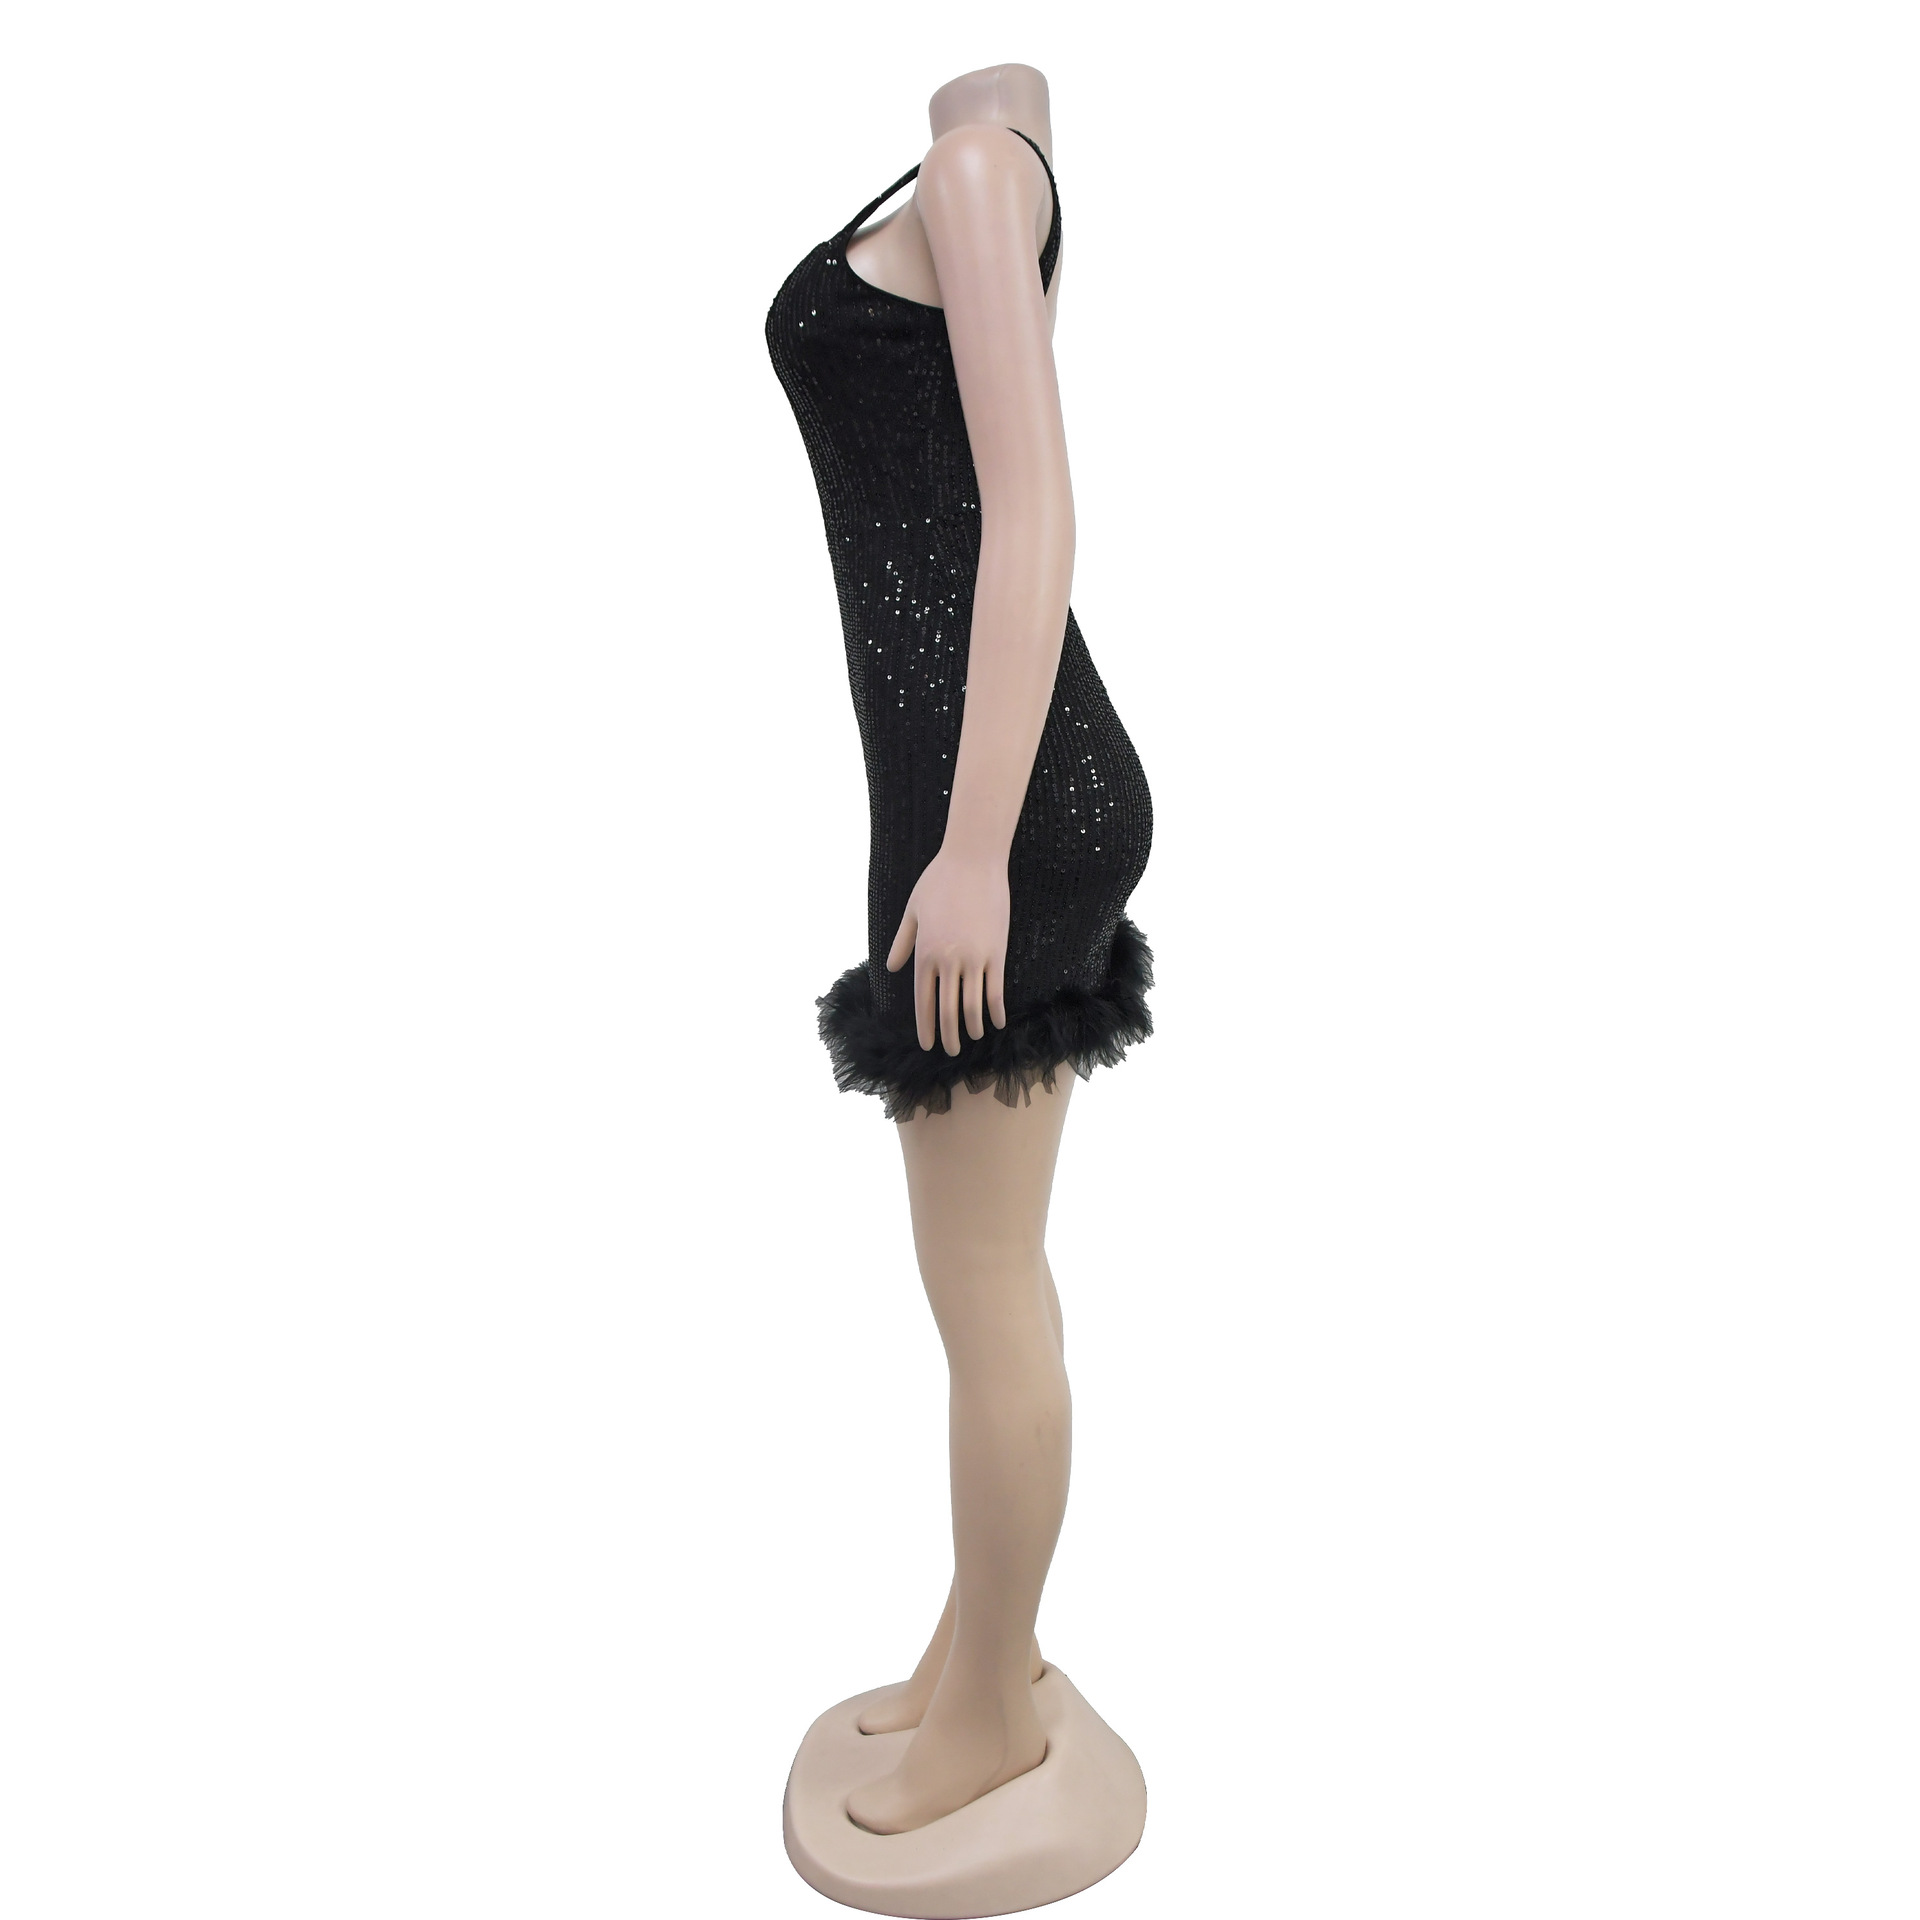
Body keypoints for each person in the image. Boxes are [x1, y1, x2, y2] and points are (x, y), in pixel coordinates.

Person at [764, 62, 1154, 1842]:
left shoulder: (977, 170)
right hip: (972, 787)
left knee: (981, 1281)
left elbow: (1035, 510)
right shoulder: (999, 150)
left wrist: (977, 848)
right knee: (988, 1269)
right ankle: (978, 1639)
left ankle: (993, 1712)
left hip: (990, 803)